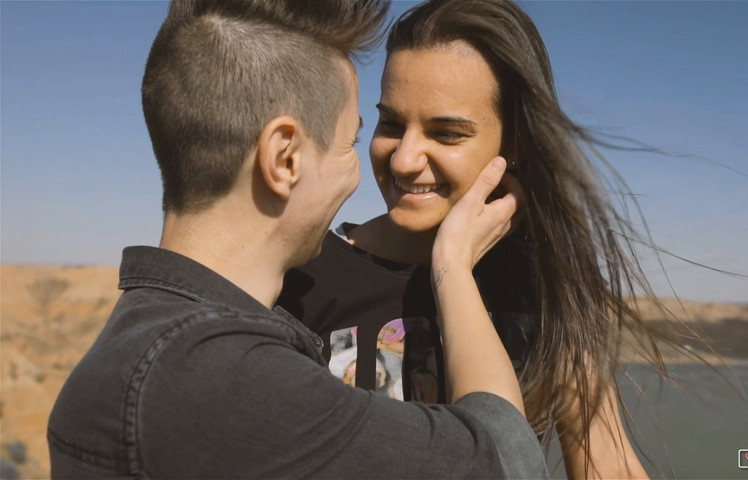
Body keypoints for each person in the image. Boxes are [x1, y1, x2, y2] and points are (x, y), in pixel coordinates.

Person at [47, 1, 549, 478]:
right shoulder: (222, 379)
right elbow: (508, 461)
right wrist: (454, 266)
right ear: (284, 158)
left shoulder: (149, 334)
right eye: (350, 142)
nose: (392, 164)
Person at [278, 0, 662, 478]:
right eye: (392, 124)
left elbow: (608, 465)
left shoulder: (546, 286)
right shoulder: (303, 278)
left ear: (514, 145)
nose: (403, 160)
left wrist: (451, 268)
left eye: (446, 133)